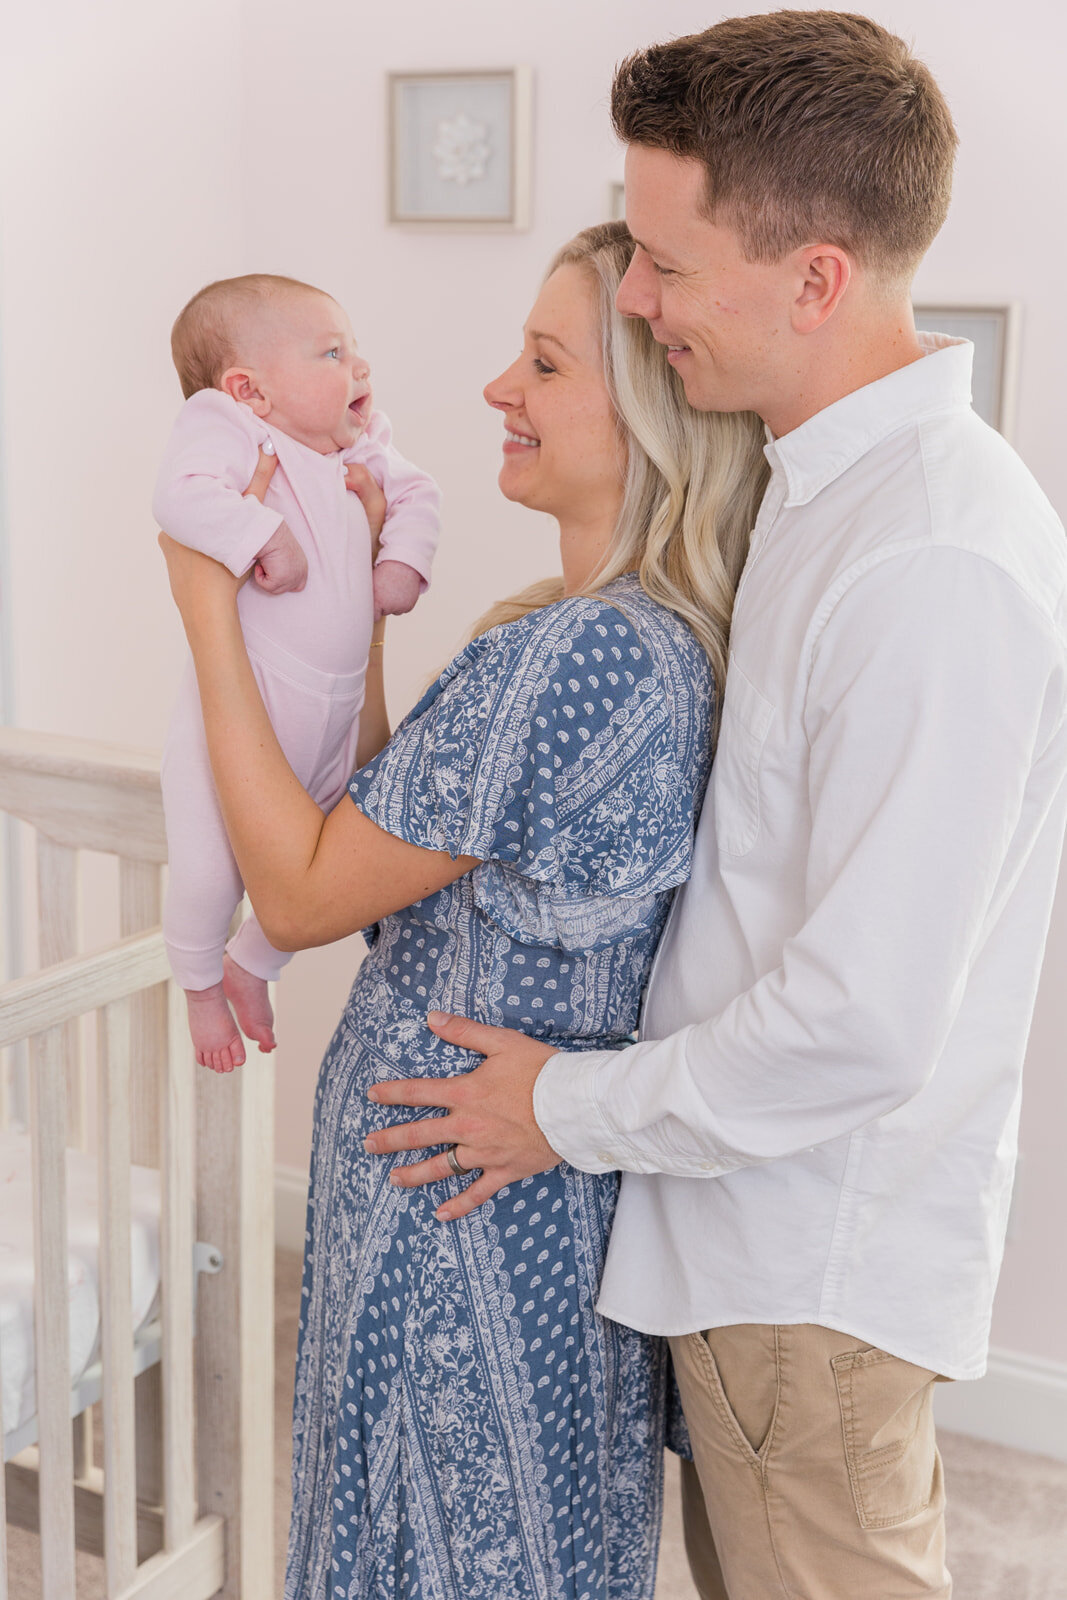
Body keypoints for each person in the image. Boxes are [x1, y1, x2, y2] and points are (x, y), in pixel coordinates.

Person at [365, 14, 1067, 1600]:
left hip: (802, 1281)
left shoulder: (932, 565)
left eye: (667, 267)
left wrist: (557, 1106)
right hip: (735, 1249)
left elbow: (859, 1020)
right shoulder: (814, 492)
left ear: (814, 278)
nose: (632, 297)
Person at [159, 222, 768, 1599]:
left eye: (543, 364)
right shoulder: (612, 631)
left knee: (425, 1542)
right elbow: (383, 818)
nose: (496, 389)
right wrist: (351, 597)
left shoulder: (571, 654)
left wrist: (206, 607)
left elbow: (303, 889)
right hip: (516, 1198)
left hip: (452, 1208)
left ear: (654, 412)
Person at [154, 273, 441, 1072]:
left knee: (323, 864)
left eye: (355, 350)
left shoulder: (364, 443)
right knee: (210, 871)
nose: (360, 369)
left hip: (335, 712)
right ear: (250, 391)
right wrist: (259, 536)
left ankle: (253, 964)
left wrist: (401, 563)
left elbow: (421, 493)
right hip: (243, 710)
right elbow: (177, 498)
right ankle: (202, 983)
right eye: (332, 352)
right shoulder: (229, 430)